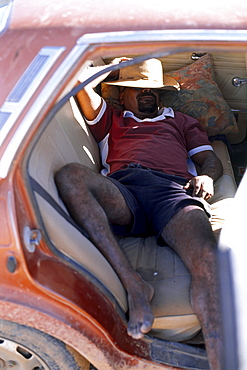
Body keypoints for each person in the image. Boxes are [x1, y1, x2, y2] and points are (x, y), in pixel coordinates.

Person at [55, 58, 223, 369]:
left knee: (208, 258)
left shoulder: (182, 121)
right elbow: (75, 79)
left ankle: (219, 356)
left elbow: (211, 161)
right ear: (121, 95)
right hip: (124, 188)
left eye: (153, 88)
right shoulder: (111, 118)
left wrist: (208, 176)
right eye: (137, 87)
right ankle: (133, 283)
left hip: (171, 189)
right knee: (70, 176)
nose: (148, 93)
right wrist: (113, 69)